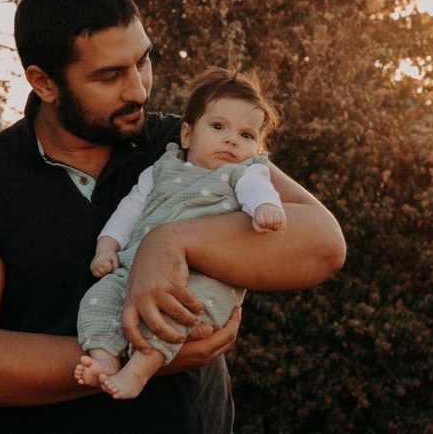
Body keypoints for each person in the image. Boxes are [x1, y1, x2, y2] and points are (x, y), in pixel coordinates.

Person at [0, 0, 346, 433]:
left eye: (142, 61)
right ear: (44, 83)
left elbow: (322, 243)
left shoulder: (182, 145)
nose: (137, 89)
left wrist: (170, 242)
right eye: (109, 75)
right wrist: (139, 359)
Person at [75, 66, 287, 400]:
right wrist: (107, 246)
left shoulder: (244, 173)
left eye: (247, 135)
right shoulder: (162, 168)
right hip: (134, 268)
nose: (232, 139)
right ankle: (103, 357)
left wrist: (264, 208)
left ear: (258, 148)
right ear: (187, 135)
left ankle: (140, 369)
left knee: (178, 315)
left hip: (201, 280)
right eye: (218, 127)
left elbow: (257, 190)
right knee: (98, 300)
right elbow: (130, 209)